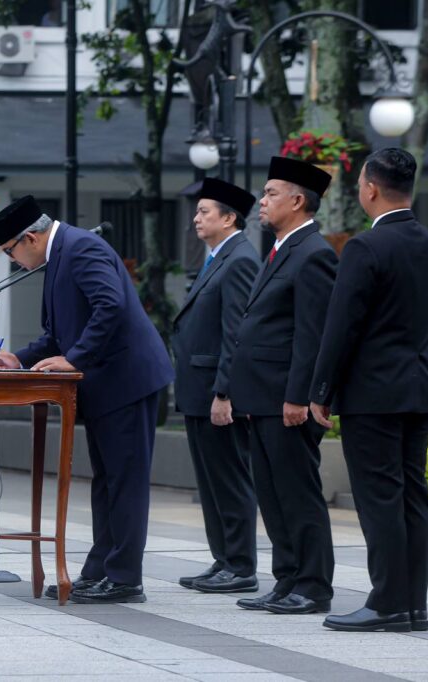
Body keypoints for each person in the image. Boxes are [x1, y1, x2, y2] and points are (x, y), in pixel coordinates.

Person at [0, 196, 173, 604]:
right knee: (106, 483)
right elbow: (59, 333)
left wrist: (73, 360)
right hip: (104, 384)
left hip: (127, 380)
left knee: (125, 482)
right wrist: (20, 357)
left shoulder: (82, 248)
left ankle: (125, 578)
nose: (13, 262)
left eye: (10, 252)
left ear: (30, 238)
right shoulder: (60, 254)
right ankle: (99, 570)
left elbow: (111, 306)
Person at [311, 148, 428, 633]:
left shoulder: (365, 249)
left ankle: (387, 603)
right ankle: (413, 605)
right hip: (417, 388)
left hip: (373, 395)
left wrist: (322, 390)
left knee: (380, 500)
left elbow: (341, 328)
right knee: (414, 495)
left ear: (370, 188)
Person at [228, 157, 337, 616]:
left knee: (297, 493)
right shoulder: (279, 249)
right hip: (263, 396)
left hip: (285, 398)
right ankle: (286, 579)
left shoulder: (314, 252)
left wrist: (300, 396)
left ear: (297, 200)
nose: (262, 201)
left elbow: (312, 334)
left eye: (271, 193)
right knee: (271, 495)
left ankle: (312, 586)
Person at [172, 178, 260, 594]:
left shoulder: (240, 258)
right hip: (197, 389)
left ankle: (240, 565)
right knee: (209, 481)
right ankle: (223, 558)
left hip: (215, 391)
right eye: (197, 211)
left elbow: (236, 333)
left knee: (229, 478)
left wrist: (224, 392)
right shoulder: (217, 256)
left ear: (229, 218)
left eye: (205, 211)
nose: (196, 218)